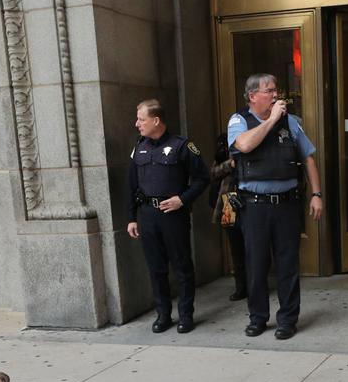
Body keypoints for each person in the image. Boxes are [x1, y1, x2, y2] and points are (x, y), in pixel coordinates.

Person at [228, 73, 324, 340]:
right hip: (254, 206)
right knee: (256, 264)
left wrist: (316, 194)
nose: (275, 95)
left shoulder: (290, 122)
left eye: (275, 90)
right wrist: (271, 121)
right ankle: (258, 318)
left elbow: (308, 159)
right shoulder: (239, 121)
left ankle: (287, 320)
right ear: (252, 96)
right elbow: (244, 145)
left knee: (288, 264)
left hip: (286, 205)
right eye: (269, 91)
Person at [127, 99, 210, 334]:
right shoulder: (139, 147)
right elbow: (131, 184)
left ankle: (185, 315)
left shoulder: (182, 146)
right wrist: (131, 217)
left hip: (173, 216)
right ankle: (163, 315)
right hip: (148, 215)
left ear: (156, 120)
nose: (137, 124)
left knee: (182, 267)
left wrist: (182, 199)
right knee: (156, 268)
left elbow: (202, 178)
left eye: (141, 119)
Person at [210, 132, 248, 302]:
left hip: (251, 200)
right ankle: (241, 287)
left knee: (254, 246)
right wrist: (230, 164)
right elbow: (213, 172)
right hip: (229, 201)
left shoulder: (253, 143)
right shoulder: (226, 147)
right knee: (235, 247)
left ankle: (256, 284)